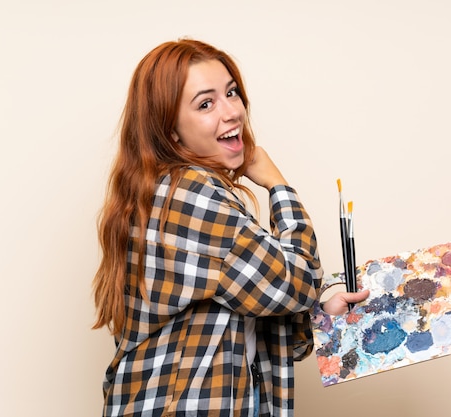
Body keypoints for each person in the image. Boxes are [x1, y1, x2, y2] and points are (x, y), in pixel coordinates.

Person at [92, 39, 369, 417]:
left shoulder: (166, 192)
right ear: (170, 131)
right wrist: (277, 184)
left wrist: (322, 310)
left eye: (231, 93)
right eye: (205, 104)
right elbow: (297, 284)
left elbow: (265, 313)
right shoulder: (189, 193)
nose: (231, 112)